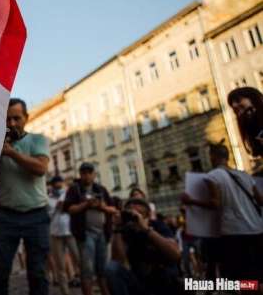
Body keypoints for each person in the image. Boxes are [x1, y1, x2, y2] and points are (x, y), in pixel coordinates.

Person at [0, 98, 51, 295]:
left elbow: (40, 168)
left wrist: (11, 153)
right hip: (6, 216)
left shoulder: (37, 140)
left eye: (17, 118)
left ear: (26, 118)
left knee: (38, 273)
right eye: (8, 119)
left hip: (37, 215)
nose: (12, 123)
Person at [181, 142, 263, 283]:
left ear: (212, 157)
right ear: (227, 156)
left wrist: (191, 201)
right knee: (257, 274)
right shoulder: (244, 175)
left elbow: (215, 203)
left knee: (242, 278)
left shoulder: (213, 176)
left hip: (234, 233)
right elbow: (260, 201)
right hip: (257, 229)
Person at [105, 198, 182, 295]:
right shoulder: (125, 230)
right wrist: (117, 228)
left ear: (148, 216)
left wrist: (146, 230)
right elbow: (118, 261)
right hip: (141, 284)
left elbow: (176, 255)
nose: (135, 218)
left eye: (139, 214)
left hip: (166, 281)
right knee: (112, 268)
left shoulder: (157, 225)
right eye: (131, 215)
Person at [64, 162, 117, 295]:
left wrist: (102, 207)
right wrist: (86, 204)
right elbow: (69, 209)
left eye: (89, 173)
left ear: (94, 174)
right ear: (80, 175)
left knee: (102, 269)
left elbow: (113, 209)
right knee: (87, 269)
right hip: (85, 234)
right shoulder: (74, 189)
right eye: (84, 173)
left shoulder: (101, 189)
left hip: (102, 233)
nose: (87, 176)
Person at [48, 176, 80, 295]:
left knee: (79, 259)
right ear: (52, 185)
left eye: (59, 183)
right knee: (60, 265)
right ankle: (65, 292)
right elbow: (47, 216)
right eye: (55, 183)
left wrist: (65, 206)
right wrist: (56, 208)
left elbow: (74, 210)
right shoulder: (48, 199)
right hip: (55, 233)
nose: (58, 185)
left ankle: (87, 287)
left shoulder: (68, 195)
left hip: (70, 231)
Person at [227, 87, 263, 167]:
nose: (234, 105)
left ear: (252, 98)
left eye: (238, 100)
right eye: (233, 106)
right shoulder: (251, 127)